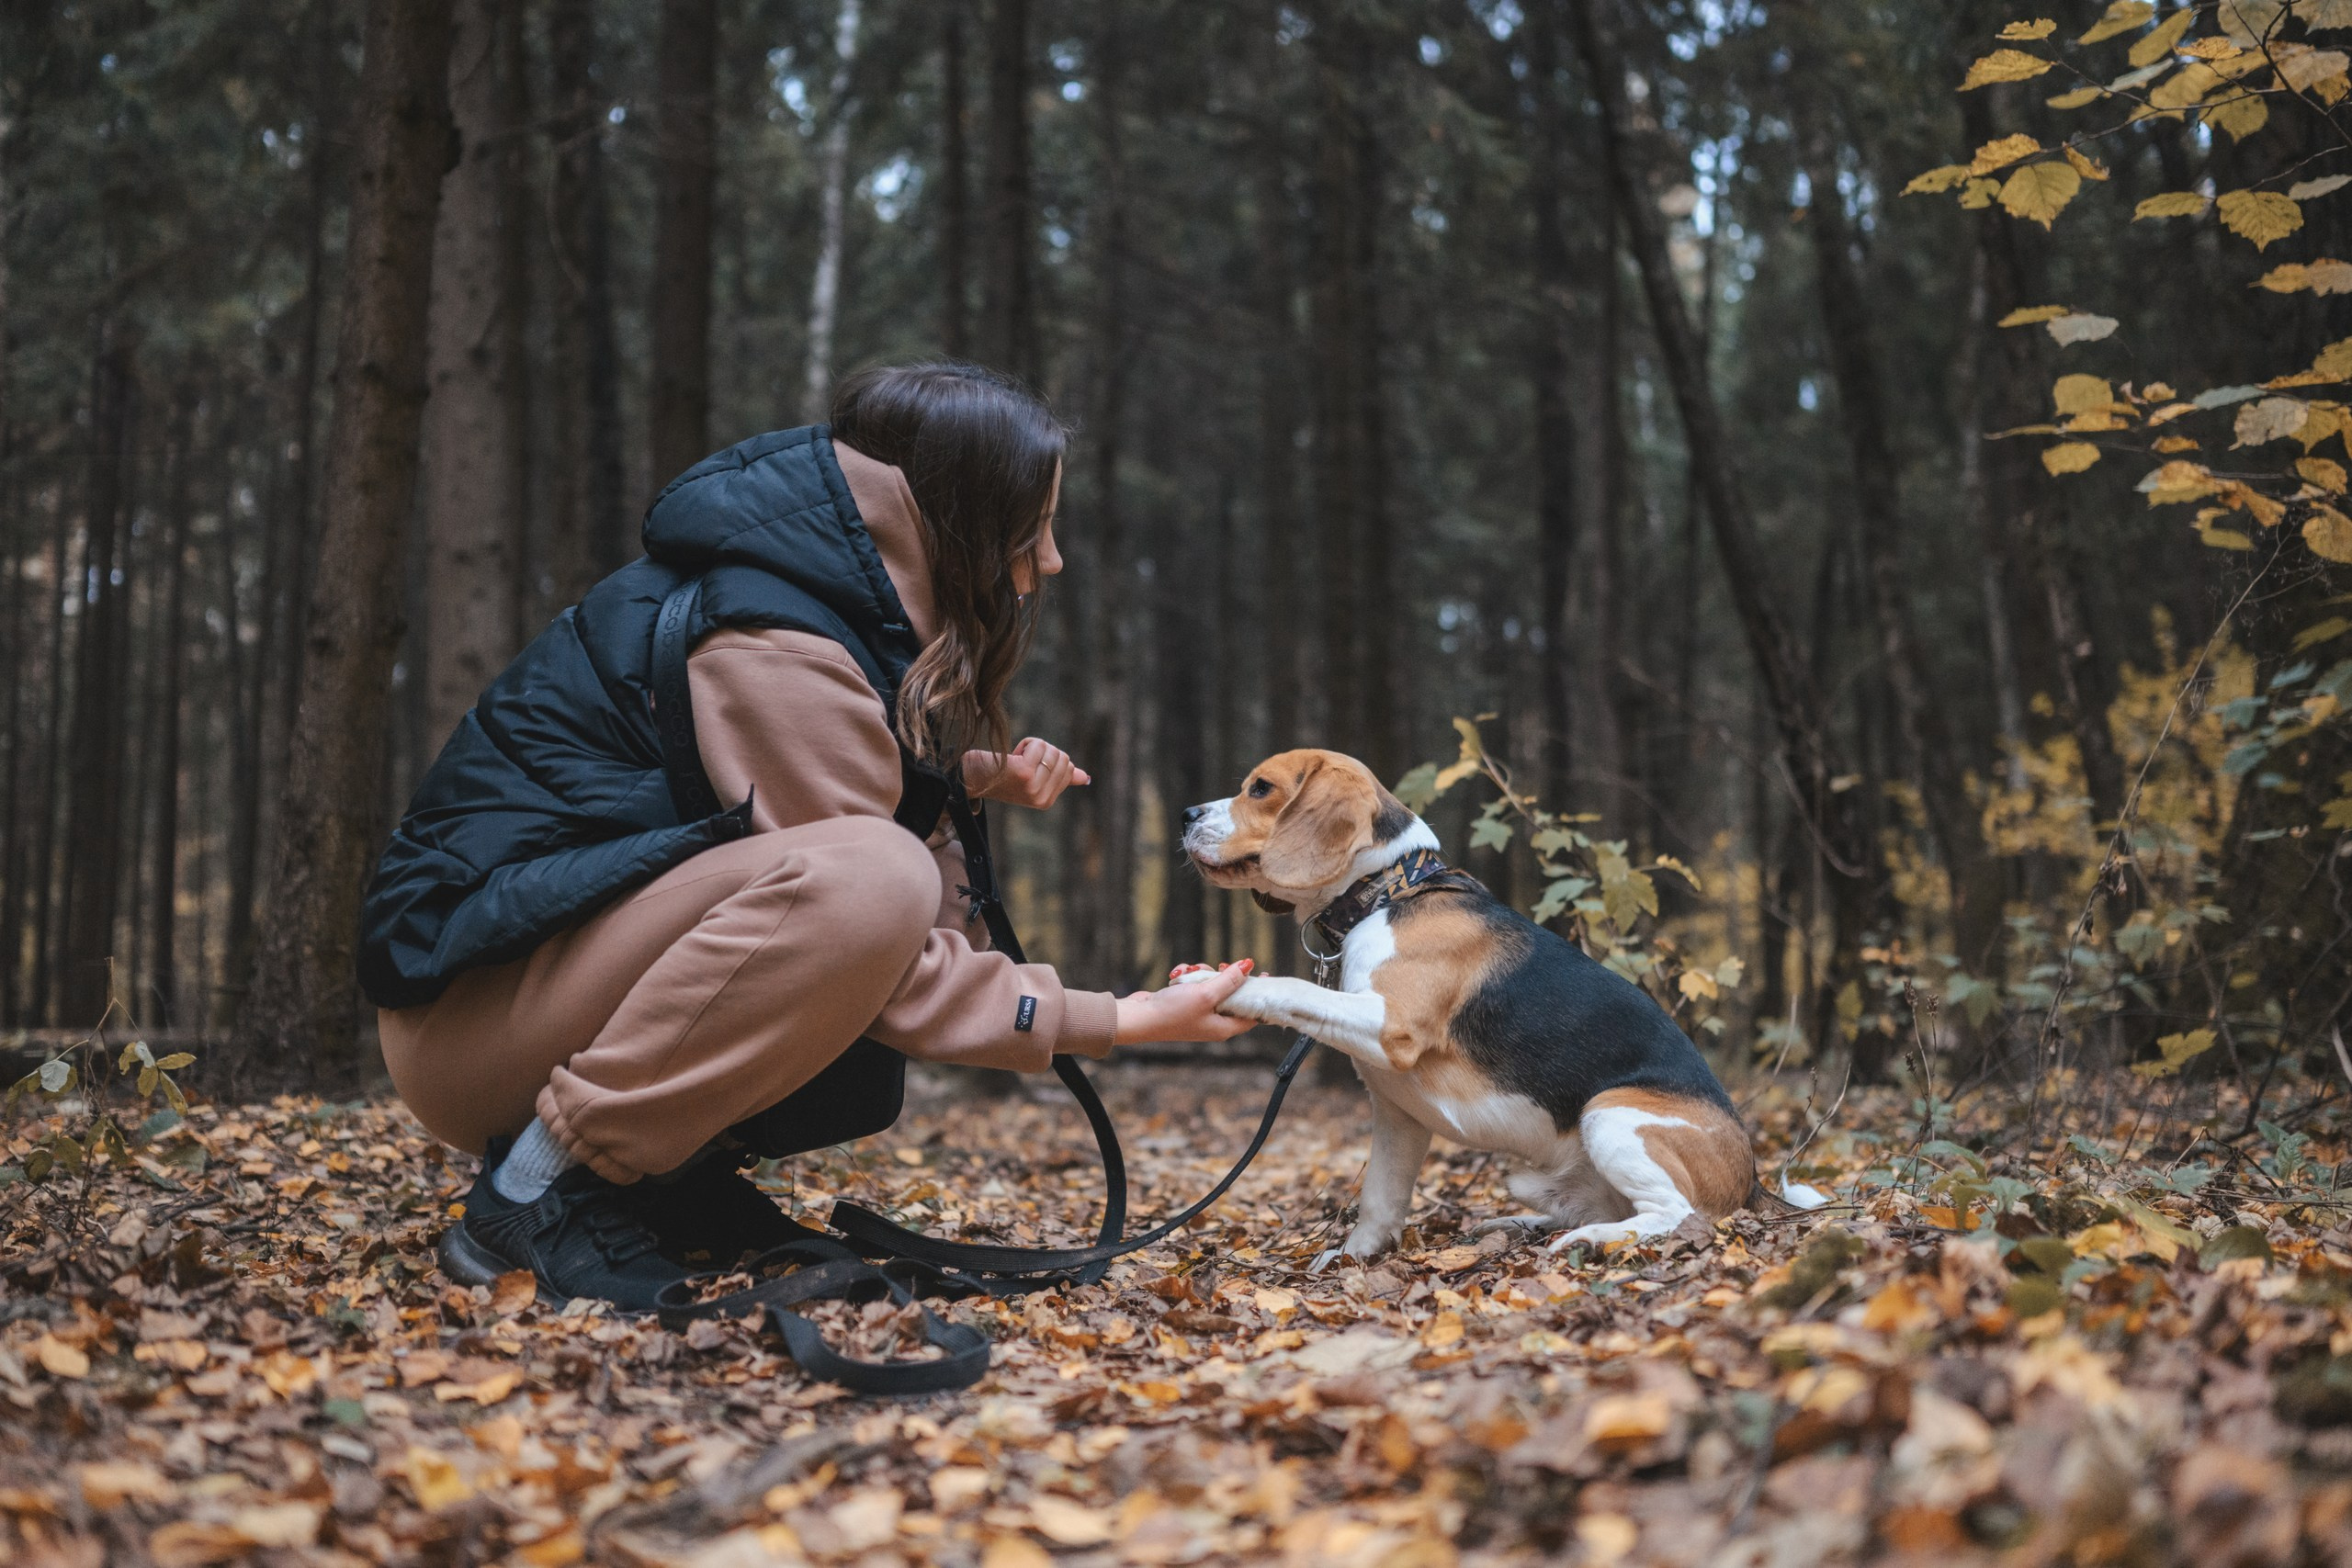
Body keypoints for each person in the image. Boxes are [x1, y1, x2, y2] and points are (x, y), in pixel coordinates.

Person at [360, 362, 1255, 1308]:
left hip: (529, 993)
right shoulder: (775, 643)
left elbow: (807, 867)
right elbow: (871, 923)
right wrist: (1114, 1019)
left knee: (863, 1027)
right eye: (1032, 524)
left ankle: (659, 1185)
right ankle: (538, 1188)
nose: (1051, 559)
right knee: (875, 880)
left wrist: (956, 788)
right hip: (466, 1026)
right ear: (957, 515)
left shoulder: (819, 613)